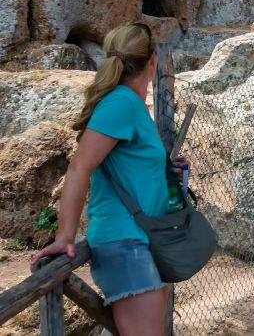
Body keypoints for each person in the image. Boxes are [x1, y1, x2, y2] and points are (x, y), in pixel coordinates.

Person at [31, 22, 186, 336]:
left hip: (143, 240)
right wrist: (64, 237)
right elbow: (79, 167)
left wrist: (168, 171)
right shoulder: (121, 104)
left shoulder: (130, 105)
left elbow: (126, 169)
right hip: (127, 243)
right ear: (153, 60)